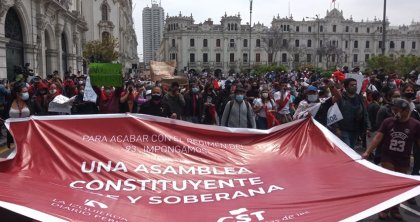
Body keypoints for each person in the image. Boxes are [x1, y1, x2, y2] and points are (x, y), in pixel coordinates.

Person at [362, 98, 420, 220]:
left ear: (406, 110)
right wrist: (368, 151)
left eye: (397, 110)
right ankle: (384, 208)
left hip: (403, 159)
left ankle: (395, 208)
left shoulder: (415, 125)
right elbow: (378, 137)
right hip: (387, 157)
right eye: (393, 110)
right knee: (390, 181)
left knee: (399, 185)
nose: (394, 112)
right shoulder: (388, 122)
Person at [335, 78, 371, 149]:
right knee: (347, 149)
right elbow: (335, 113)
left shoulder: (359, 98)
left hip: (356, 129)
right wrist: (336, 128)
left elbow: (365, 113)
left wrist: (368, 127)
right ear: (346, 87)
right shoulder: (341, 98)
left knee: (351, 149)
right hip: (343, 129)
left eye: (355, 85)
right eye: (352, 85)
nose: (354, 86)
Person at [5, 82, 33, 148]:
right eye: (24, 92)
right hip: (14, 134)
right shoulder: (9, 104)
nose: (27, 93)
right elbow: (4, 116)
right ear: (17, 93)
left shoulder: (31, 102)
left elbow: (41, 114)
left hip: (28, 132)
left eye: (27, 91)